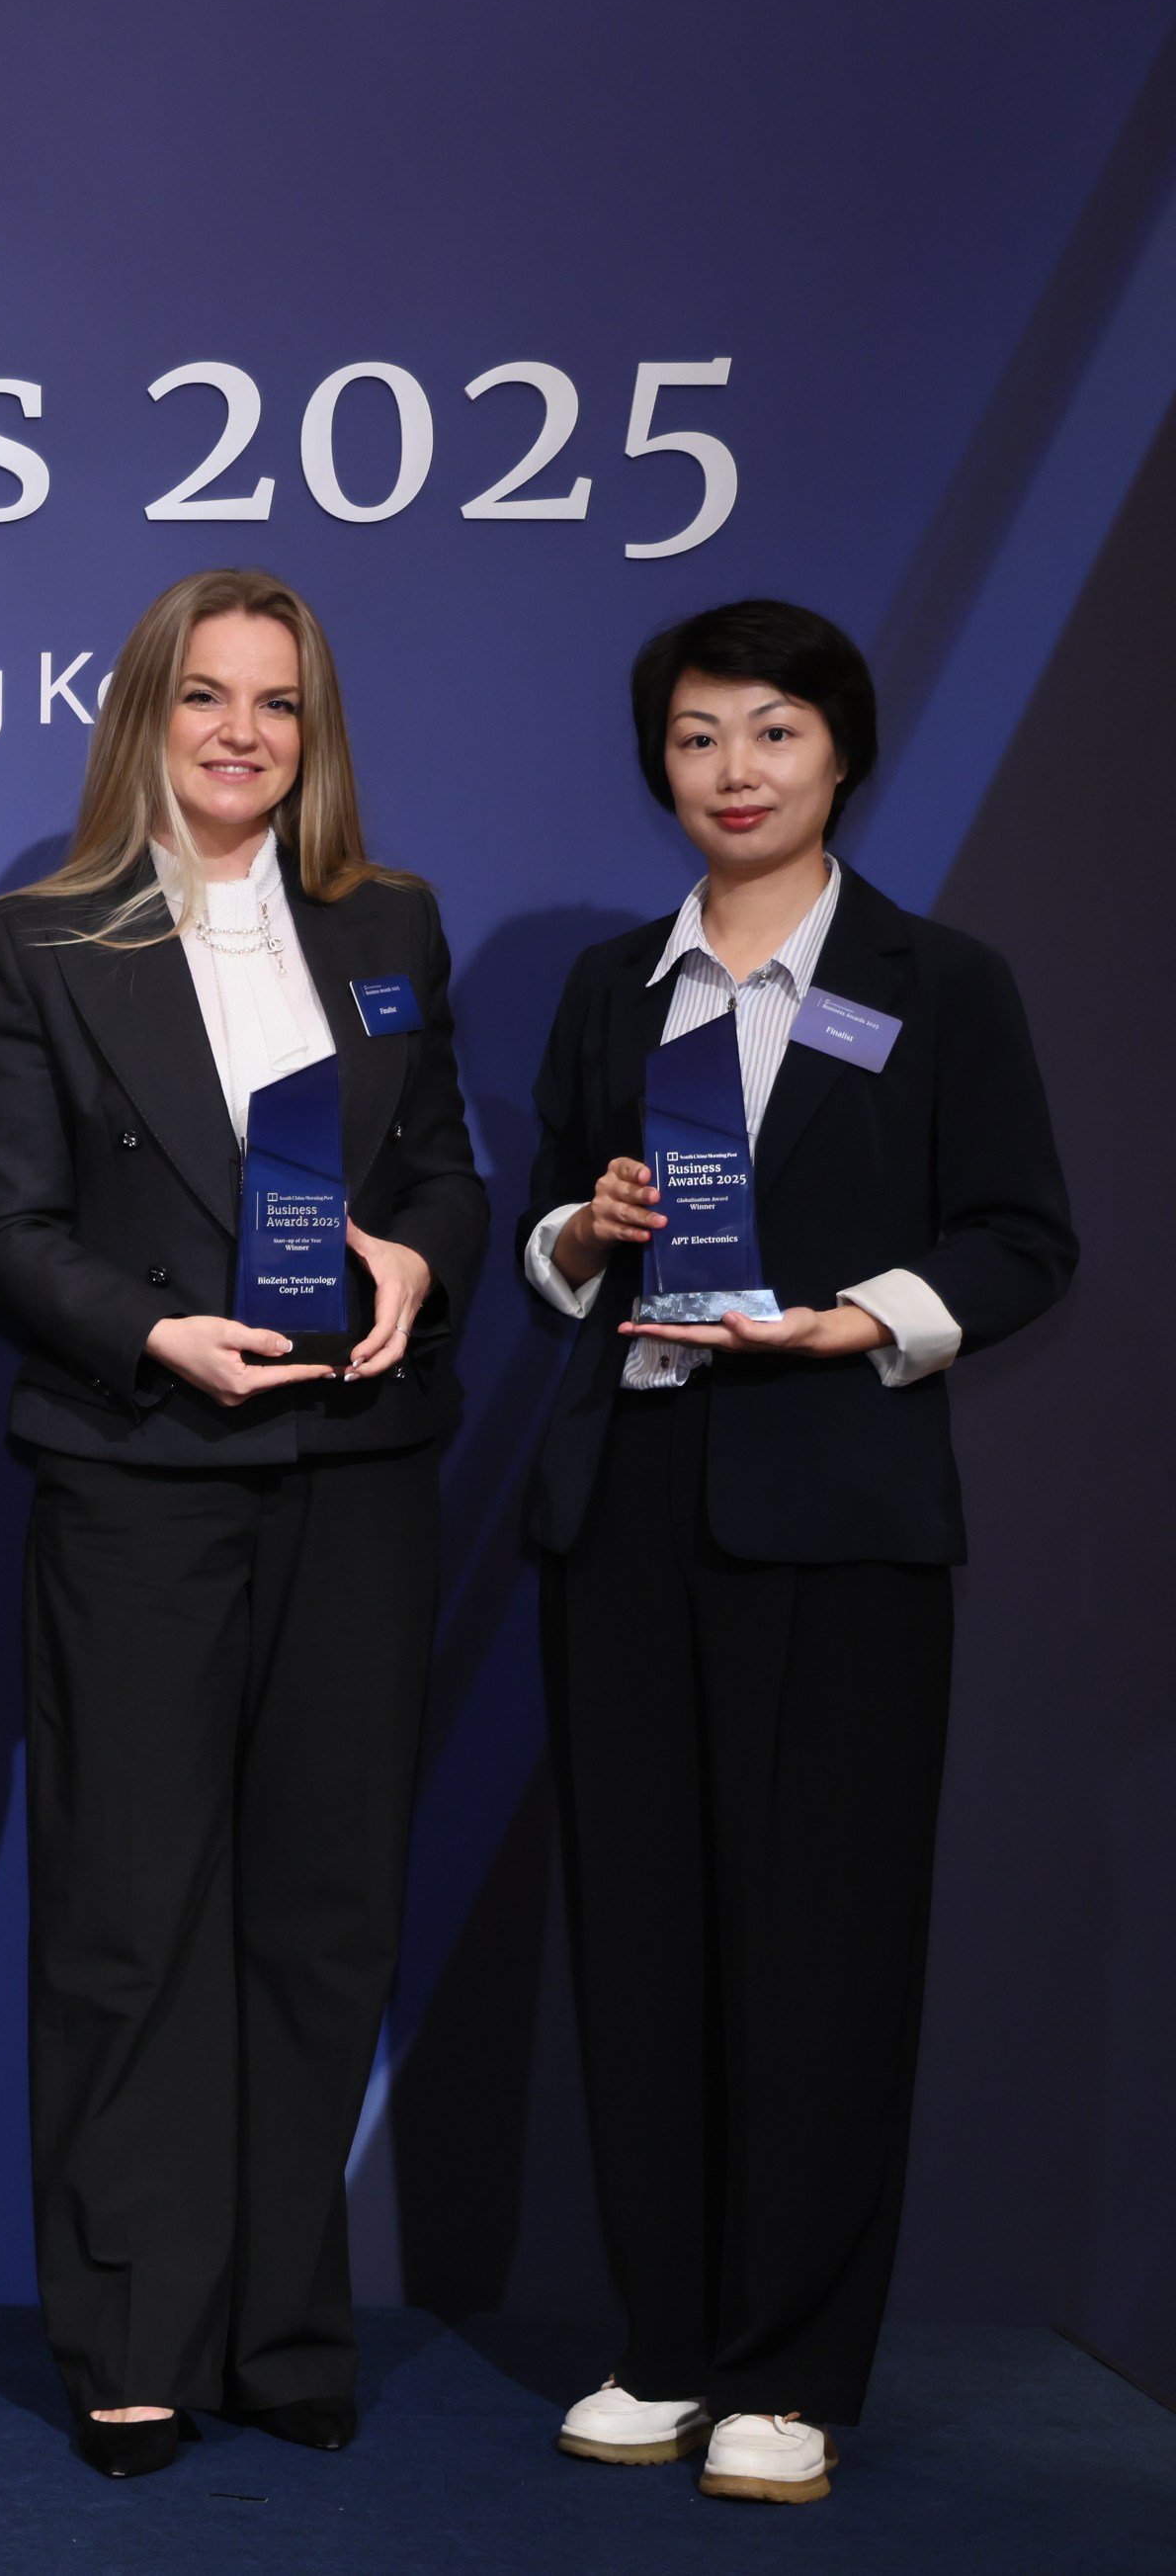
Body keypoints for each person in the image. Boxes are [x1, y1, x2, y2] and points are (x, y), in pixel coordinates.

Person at [524, 601, 1071, 2509]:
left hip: (838, 1511)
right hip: (635, 1503)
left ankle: (792, 2366)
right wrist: (586, 1231)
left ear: (841, 754)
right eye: (696, 738)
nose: (734, 772)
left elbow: (1022, 1237)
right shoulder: (618, 983)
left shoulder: (938, 978)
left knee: (824, 1944)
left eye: (772, 733)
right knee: (645, 1934)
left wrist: (864, 1317)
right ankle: (663, 2341)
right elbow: (546, 1243)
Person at [0, 569, 481, 2479]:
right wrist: (154, 1331)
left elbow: (443, 1166)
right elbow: (10, 1231)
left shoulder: (391, 922)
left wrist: (420, 1262)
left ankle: (281, 2325)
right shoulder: (38, 938)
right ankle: (133, 2335)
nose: (244, 730)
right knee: (131, 1919)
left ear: (314, 727)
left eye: (278, 700)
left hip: (359, 1472)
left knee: (325, 1920)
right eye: (207, 696)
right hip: (142, 1475)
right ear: (145, 718)